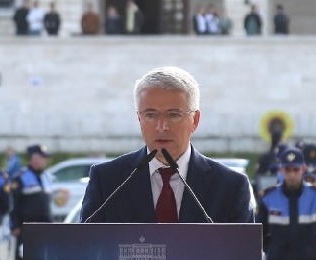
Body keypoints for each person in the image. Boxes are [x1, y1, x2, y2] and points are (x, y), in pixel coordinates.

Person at [80, 66, 254, 224]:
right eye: (151, 115)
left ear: (195, 120)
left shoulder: (231, 186)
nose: (162, 126)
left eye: (173, 114)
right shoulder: (107, 181)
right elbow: (85, 250)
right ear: (139, 119)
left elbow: (244, 257)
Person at [9, 144, 54, 260]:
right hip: (26, 229)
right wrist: (14, 225)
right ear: (33, 158)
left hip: (45, 229)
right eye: (42, 157)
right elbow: (12, 204)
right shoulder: (20, 178)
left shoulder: (46, 177)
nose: (44, 161)